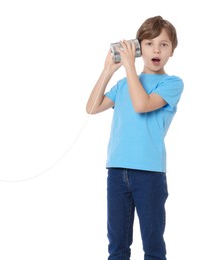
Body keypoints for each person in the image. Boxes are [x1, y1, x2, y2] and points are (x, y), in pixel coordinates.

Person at [85, 16, 183, 259]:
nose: (156, 49)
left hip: (149, 174)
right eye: (149, 43)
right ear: (139, 48)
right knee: (117, 246)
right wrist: (108, 70)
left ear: (172, 50)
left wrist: (129, 67)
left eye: (163, 44)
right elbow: (92, 107)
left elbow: (142, 104)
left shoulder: (172, 83)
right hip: (117, 171)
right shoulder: (123, 84)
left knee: (153, 246)